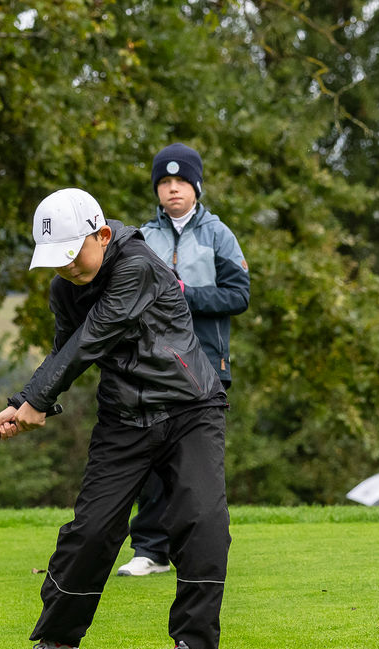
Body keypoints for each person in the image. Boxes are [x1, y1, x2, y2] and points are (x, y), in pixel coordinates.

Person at [0, 187, 231, 649]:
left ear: (101, 235)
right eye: (56, 260)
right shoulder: (65, 288)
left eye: (73, 254)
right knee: (91, 530)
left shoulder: (137, 264)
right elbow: (64, 350)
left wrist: (37, 399)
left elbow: (94, 336)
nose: (66, 268)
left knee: (200, 519)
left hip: (190, 408)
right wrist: (23, 401)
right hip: (123, 418)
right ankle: (58, 643)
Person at [117, 142, 250, 577]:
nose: (173, 188)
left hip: (207, 364)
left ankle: (194, 550)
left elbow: (238, 295)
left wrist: (185, 295)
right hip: (154, 365)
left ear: (196, 186)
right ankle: (150, 550)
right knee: (152, 460)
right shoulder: (142, 236)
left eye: (181, 181)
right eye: (165, 181)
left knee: (197, 467)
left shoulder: (218, 234)